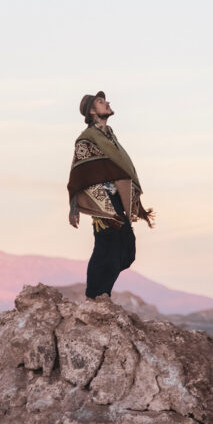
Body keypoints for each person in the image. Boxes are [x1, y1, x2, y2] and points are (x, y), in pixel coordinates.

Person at [67, 90, 155, 300]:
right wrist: (104, 208)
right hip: (102, 200)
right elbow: (83, 173)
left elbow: (122, 170)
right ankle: (96, 295)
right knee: (105, 246)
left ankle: (101, 294)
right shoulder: (86, 140)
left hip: (117, 199)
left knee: (126, 250)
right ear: (91, 111)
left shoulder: (110, 138)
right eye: (100, 101)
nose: (107, 103)